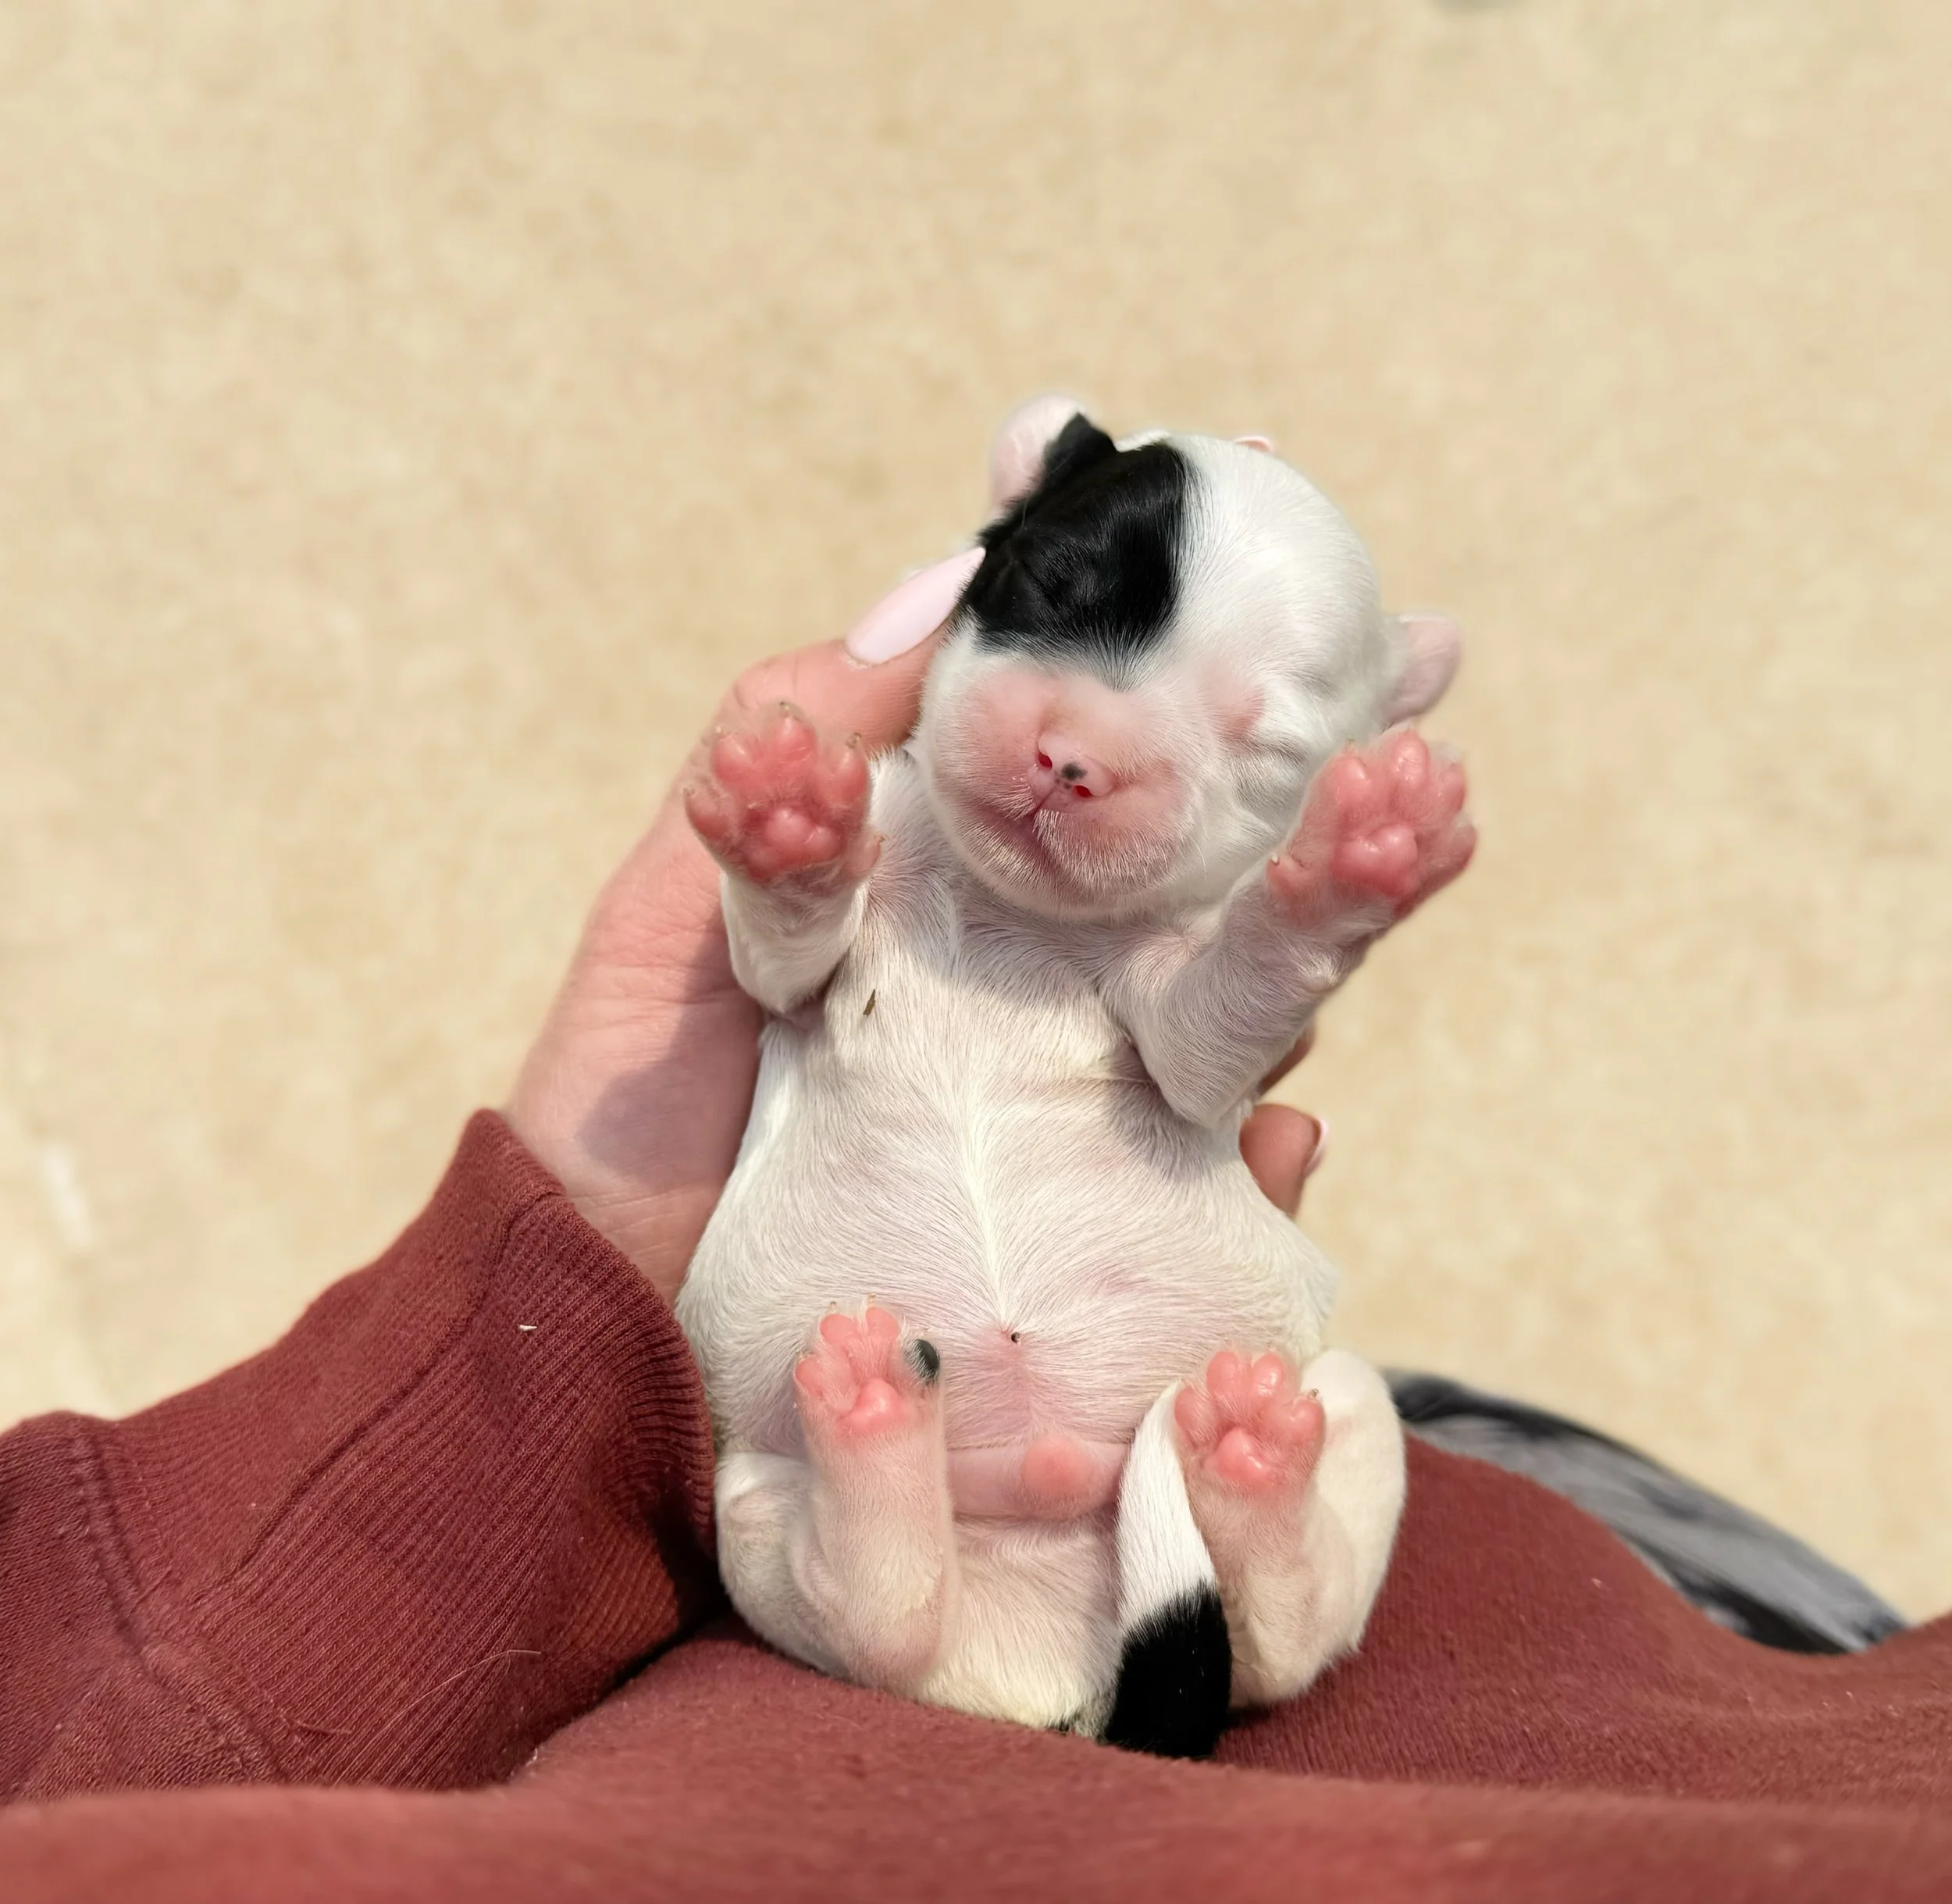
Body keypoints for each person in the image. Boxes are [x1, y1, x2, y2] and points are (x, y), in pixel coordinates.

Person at [3, 612, 1950, 1903]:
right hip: (1668, 1716)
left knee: (1339, 1421)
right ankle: (1142, 1544)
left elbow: (1189, 1025)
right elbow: (974, 1001)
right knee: (1382, 1416)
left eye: (1244, 726)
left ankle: (1153, 1557)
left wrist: (1291, 919)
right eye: (1071, 645)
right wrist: (800, 881)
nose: (1084, 746)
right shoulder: (920, 821)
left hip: (985, 1611)